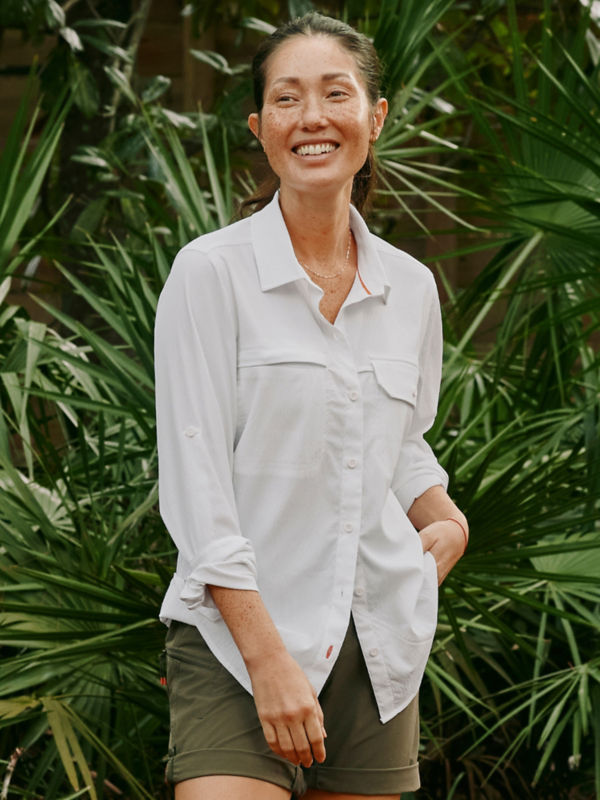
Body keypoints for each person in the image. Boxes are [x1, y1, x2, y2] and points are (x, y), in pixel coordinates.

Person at [154, 12, 468, 800]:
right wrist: (267, 659)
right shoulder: (209, 274)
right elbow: (195, 479)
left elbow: (398, 441)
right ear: (261, 128)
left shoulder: (412, 288)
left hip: (378, 645)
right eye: (288, 99)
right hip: (237, 638)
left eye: (337, 94)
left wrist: (444, 512)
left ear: (375, 118)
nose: (313, 118)